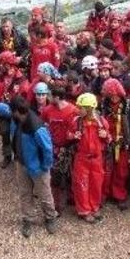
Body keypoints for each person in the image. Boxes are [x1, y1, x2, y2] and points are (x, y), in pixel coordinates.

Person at [0, 96, 58, 238]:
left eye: (12, 111)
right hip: (21, 163)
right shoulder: (18, 116)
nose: (10, 112)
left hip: (38, 168)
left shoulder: (37, 127)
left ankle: (50, 217)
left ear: (17, 111)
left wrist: (45, 167)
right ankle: (27, 219)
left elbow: (47, 149)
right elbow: (3, 108)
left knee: (45, 194)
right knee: (25, 193)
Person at [68, 93, 111, 223]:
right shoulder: (76, 121)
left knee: (96, 184)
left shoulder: (101, 122)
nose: (78, 109)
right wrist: (73, 136)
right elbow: (68, 135)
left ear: (89, 108)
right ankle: (84, 210)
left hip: (97, 158)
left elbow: (109, 138)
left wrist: (106, 135)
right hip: (82, 158)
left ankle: (94, 207)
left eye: (81, 107)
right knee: (82, 184)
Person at [39, 83, 79, 212]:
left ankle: (72, 198)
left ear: (57, 97)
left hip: (69, 147)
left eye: (51, 95)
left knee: (71, 175)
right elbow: (42, 123)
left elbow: (77, 127)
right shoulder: (47, 110)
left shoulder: (73, 110)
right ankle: (57, 204)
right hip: (54, 148)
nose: (49, 98)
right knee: (55, 177)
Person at [100, 79, 130, 210]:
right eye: (110, 95)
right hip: (107, 142)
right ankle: (104, 194)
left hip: (122, 143)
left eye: (115, 94)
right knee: (106, 170)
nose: (113, 97)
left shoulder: (128, 105)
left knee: (121, 171)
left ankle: (119, 195)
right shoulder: (103, 104)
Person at [0, 51, 31, 168]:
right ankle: (7, 155)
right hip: (4, 110)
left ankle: (19, 155)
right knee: (4, 131)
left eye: (1, 63)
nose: (0, 65)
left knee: (18, 134)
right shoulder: (0, 77)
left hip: (17, 112)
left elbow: (26, 95)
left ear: (8, 64)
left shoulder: (20, 78)